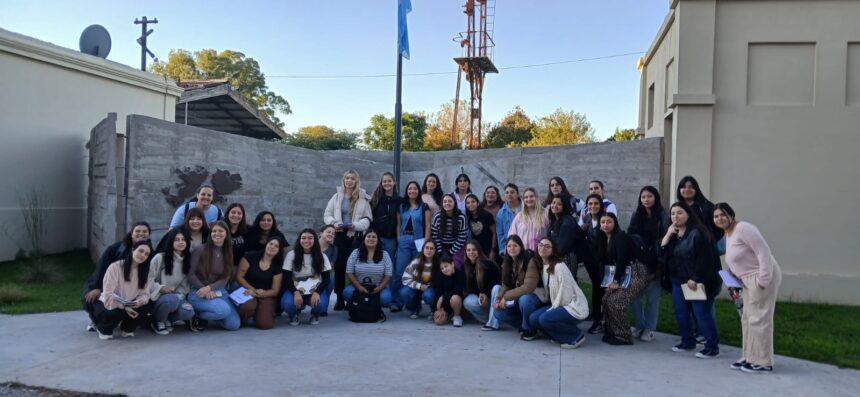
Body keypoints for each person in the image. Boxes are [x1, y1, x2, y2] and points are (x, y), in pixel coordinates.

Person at [714, 203, 782, 373]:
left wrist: (762, 281)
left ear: (731, 215)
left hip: (760, 276)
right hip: (745, 280)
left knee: (759, 319)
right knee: (747, 318)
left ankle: (764, 362)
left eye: (723, 214)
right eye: (715, 216)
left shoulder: (744, 228)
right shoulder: (729, 234)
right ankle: (749, 357)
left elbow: (763, 252)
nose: (719, 218)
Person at [661, 202, 722, 358]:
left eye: (679, 213)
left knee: (701, 313)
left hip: (697, 282)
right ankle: (687, 342)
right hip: (678, 281)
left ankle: (712, 346)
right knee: (682, 313)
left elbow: (706, 259)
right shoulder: (674, 234)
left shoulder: (698, 233)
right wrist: (668, 234)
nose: (675, 216)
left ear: (688, 214)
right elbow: (662, 252)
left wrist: (696, 278)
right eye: (673, 213)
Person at [82, 221, 151, 331]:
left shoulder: (150, 252)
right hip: (107, 282)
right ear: (131, 233)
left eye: (145, 231)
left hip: (131, 288)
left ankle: (130, 323)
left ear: (149, 235)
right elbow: (102, 268)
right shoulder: (116, 249)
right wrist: (97, 287)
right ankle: (96, 320)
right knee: (91, 297)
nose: (141, 234)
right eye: (137, 231)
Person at [595, 213, 649, 345]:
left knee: (616, 302)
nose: (606, 225)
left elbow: (622, 260)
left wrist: (615, 281)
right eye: (603, 222)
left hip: (636, 273)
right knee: (606, 299)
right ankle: (612, 331)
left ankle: (624, 336)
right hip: (622, 274)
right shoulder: (604, 240)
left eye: (609, 222)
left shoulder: (620, 237)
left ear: (615, 223)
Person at [323, 169, 373, 311]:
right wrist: (334, 222)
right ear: (344, 180)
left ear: (356, 181)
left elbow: (368, 218)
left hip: (355, 235)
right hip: (339, 234)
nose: (349, 181)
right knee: (339, 266)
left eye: (352, 179)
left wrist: (355, 225)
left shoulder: (363, 197)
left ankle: (353, 296)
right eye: (347, 178)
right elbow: (327, 214)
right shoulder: (337, 196)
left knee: (355, 266)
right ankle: (339, 298)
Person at [526, 238, 589, 348]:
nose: (543, 248)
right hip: (558, 304)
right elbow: (547, 292)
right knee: (533, 319)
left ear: (553, 251)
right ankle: (559, 336)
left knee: (544, 319)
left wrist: (552, 310)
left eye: (547, 246)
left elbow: (567, 294)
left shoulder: (559, 266)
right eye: (541, 244)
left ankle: (575, 336)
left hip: (572, 306)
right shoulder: (543, 266)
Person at [627, 186, 670, 342]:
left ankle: (649, 328)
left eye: (649, 196)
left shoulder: (663, 217)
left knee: (652, 298)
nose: (646, 199)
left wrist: (660, 265)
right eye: (643, 196)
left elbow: (666, 241)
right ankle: (639, 325)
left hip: (655, 261)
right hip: (638, 262)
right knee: (635, 296)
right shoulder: (636, 215)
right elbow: (630, 236)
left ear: (656, 198)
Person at [93, 240, 154, 340]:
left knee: (145, 309)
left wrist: (138, 303)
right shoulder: (115, 267)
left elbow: (145, 294)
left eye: (146, 254)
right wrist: (125, 307)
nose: (143, 255)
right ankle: (103, 328)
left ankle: (127, 328)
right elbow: (108, 295)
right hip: (110, 303)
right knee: (114, 313)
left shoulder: (143, 271)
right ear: (133, 250)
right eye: (140, 251)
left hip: (130, 303)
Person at [187, 221, 240, 331]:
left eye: (220, 231)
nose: (217, 233)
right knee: (224, 310)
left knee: (233, 325)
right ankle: (196, 315)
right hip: (198, 292)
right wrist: (205, 289)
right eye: (214, 231)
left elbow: (225, 277)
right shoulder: (200, 249)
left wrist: (210, 288)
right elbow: (190, 274)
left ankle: (207, 313)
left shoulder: (228, 252)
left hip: (219, 291)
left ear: (226, 234)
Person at [492, 235, 545, 339]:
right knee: (498, 313)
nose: (512, 248)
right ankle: (525, 326)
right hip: (518, 296)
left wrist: (506, 297)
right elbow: (505, 285)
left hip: (535, 295)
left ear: (521, 246)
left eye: (515, 245)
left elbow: (528, 287)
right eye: (509, 246)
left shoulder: (530, 259)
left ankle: (529, 330)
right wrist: (499, 299)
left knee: (524, 300)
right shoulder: (507, 262)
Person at [392, 180, 431, 311]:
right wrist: (398, 237)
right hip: (404, 241)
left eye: (414, 189)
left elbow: (428, 225)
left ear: (418, 191)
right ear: (407, 191)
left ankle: (414, 303)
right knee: (399, 272)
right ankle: (396, 301)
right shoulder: (402, 206)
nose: (412, 191)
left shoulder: (424, 207)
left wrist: (426, 241)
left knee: (417, 273)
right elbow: (398, 224)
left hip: (419, 242)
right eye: (410, 189)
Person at [147, 229, 194, 335]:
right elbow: (148, 280)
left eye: (183, 239)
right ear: (171, 242)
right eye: (177, 240)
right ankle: (158, 320)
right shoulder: (160, 258)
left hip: (176, 296)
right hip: (158, 297)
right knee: (171, 300)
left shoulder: (187, 260)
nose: (181, 242)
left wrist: (179, 296)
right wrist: (160, 288)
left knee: (188, 312)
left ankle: (168, 319)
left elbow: (184, 286)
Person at [281, 229, 332, 326]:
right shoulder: (291, 255)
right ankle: (293, 315)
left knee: (321, 305)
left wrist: (317, 292)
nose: (306, 241)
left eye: (310, 238)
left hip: (314, 288)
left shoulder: (322, 256)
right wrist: (295, 292)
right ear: (299, 240)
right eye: (303, 238)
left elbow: (326, 279)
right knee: (287, 304)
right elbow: (286, 278)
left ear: (315, 240)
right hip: (295, 288)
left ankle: (315, 314)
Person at [235, 236, 284, 329]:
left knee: (265, 325)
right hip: (248, 290)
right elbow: (239, 277)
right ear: (266, 245)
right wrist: (253, 290)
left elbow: (275, 290)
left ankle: (260, 314)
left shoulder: (278, 266)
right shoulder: (250, 256)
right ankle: (243, 319)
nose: (272, 247)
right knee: (247, 307)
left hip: (266, 294)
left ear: (279, 250)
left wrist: (259, 294)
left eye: (276, 246)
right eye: (271, 244)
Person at [343, 229, 393, 309]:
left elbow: (388, 274)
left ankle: (374, 307)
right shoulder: (356, 253)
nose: (371, 239)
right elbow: (349, 272)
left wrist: (380, 287)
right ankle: (355, 304)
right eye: (368, 236)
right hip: (358, 285)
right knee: (347, 293)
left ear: (378, 241)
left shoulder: (385, 254)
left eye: (374, 237)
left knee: (386, 299)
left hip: (377, 287)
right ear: (364, 239)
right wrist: (359, 287)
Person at [581, 193, 607, 334]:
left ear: (601, 205)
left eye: (596, 203)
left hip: (604, 261)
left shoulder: (606, 219)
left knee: (603, 290)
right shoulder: (587, 218)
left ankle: (601, 320)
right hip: (591, 261)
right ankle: (597, 316)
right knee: (596, 288)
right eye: (590, 204)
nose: (593, 206)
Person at [462, 240, 501, 330]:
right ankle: (490, 318)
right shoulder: (464, 267)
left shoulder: (489, 264)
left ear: (479, 250)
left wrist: (486, 295)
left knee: (497, 288)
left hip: (494, 299)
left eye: (474, 250)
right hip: (480, 300)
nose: (471, 252)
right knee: (467, 301)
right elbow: (468, 289)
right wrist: (480, 296)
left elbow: (497, 283)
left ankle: (492, 323)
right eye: (468, 250)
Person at [370, 172, 401, 279]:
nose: (387, 183)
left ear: (394, 182)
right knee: (376, 263)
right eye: (384, 181)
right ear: (381, 183)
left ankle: (388, 290)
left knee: (389, 264)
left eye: (389, 181)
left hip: (391, 238)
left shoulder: (400, 200)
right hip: (376, 237)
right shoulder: (375, 199)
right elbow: (371, 218)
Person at [676, 175, 724, 245]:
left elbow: (720, 228)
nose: (687, 189)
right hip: (683, 249)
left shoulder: (707, 206)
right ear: (679, 190)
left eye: (691, 187)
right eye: (683, 187)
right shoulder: (677, 208)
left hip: (705, 249)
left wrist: (709, 241)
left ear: (696, 189)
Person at [400, 240, 439, 319]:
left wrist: (431, 285)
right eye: (427, 248)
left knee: (429, 295)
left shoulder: (438, 264)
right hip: (416, 288)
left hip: (430, 289)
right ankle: (415, 308)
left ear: (435, 251)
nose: (429, 250)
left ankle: (433, 310)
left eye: (432, 248)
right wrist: (420, 286)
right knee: (404, 293)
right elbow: (405, 278)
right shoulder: (416, 262)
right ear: (423, 249)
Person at [546, 194, 584, 274]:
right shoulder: (555, 221)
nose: (555, 205)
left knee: (567, 284)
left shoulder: (567, 221)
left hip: (565, 258)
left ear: (565, 206)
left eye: (559, 204)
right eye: (553, 202)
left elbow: (563, 245)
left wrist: (551, 256)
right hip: (556, 257)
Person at [431, 194, 469, 266]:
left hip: (457, 247)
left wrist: (451, 252)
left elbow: (462, 237)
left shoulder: (461, 217)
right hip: (441, 247)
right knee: (441, 265)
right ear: (442, 204)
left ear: (454, 203)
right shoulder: (437, 216)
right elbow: (435, 235)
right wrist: (439, 252)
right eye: (445, 202)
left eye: (450, 201)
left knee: (454, 265)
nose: (447, 203)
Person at [509, 188, 550, 253]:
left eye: (531, 196)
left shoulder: (546, 213)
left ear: (536, 197)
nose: (529, 199)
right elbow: (512, 236)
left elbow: (551, 233)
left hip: (541, 253)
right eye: (526, 197)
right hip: (523, 254)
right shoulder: (519, 216)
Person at [432, 256, 466, 327]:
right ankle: (447, 315)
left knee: (455, 298)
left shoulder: (460, 274)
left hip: (457, 303)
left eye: (446, 266)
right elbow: (438, 292)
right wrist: (438, 310)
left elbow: (458, 290)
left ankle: (457, 316)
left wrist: (442, 297)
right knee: (439, 322)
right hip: (445, 304)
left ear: (452, 264)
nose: (444, 269)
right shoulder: (440, 276)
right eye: (442, 268)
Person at [465, 193, 497, 260]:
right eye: (468, 203)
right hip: (474, 250)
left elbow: (494, 232)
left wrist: (493, 250)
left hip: (487, 248)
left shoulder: (487, 215)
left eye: (473, 202)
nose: (470, 204)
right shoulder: (466, 217)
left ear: (478, 203)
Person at [495, 183, 522, 257]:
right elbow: (500, 234)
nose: (509, 194)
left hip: (524, 246)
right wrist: (503, 250)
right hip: (510, 249)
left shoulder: (525, 209)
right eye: (507, 192)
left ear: (518, 194)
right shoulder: (501, 213)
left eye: (512, 192)